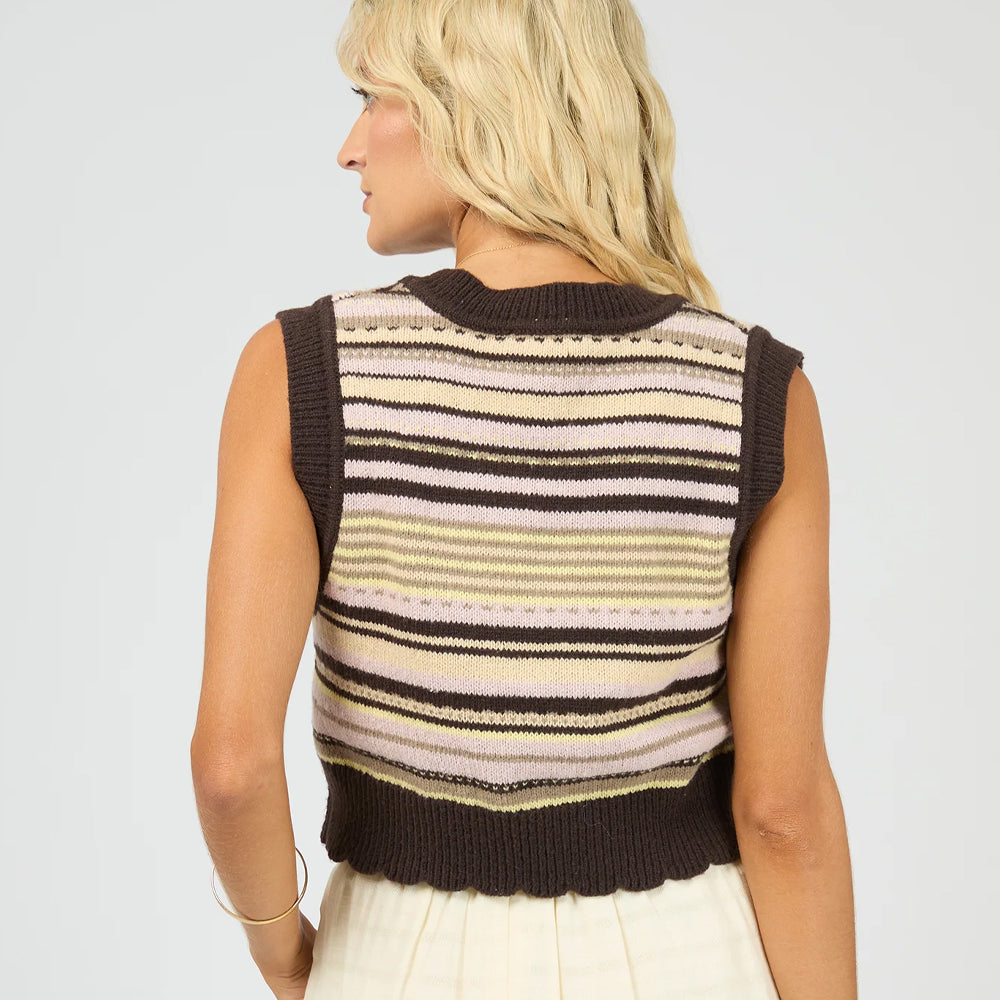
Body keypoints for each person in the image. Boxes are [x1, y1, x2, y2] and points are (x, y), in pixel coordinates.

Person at [190, 1, 857, 998]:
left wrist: (280, 952)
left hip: (396, 955)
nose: (348, 147)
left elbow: (232, 765)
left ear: (469, 103)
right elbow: (783, 810)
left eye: (372, 98)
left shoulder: (305, 371)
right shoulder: (754, 393)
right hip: (686, 954)